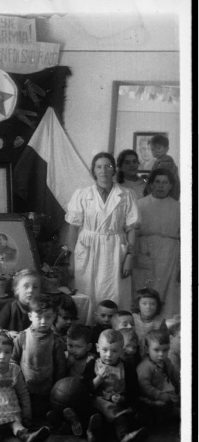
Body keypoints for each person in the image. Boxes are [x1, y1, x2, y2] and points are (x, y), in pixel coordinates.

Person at [66, 152, 140, 317]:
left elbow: (132, 228)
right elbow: (73, 228)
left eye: (108, 166)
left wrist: (129, 256)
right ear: (93, 171)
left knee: (114, 293)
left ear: (114, 169)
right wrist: (70, 258)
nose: (104, 170)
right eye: (99, 166)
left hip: (115, 250)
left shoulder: (126, 195)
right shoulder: (82, 195)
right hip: (88, 247)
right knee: (87, 293)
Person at [133, 168, 180, 316]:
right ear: (151, 184)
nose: (161, 186)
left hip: (169, 255)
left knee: (168, 294)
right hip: (145, 251)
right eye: (157, 182)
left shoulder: (178, 207)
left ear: (171, 185)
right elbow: (132, 232)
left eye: (165, 182)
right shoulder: (139, 204)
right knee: (145, 293)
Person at [11, 294, 67, 419]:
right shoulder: (23, 337)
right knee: (24, 410)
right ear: (30, 316)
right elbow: (13, 359)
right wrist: (17, 380)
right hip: (25, 388)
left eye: (48, 317)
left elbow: (60, 366)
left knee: (45, 412)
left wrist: (58, 388)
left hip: (47, 388)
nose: (43, 321)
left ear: (54, 317)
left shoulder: (56, 341)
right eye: (39, 317)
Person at [91, 329, 148, 442]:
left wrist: (123, 398)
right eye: (104, 350)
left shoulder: (127, 368)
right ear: (97, 348)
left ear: (121, 351)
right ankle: (94, 435)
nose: (109, 355)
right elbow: (86, 387)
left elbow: (134, 390)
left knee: (122, 419)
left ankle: (125, 438)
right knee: (94, 417)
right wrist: (99, 378)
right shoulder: (92, 364)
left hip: (117, 405)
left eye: (114, 351)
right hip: (97, 403)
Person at [136, 329, 180, 423]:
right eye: (156, 350)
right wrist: (161, 395)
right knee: (160, 406)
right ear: (147, 350)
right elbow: (145, 387)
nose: (161, 354)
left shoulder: (167, 361)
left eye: (165, 350)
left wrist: (178, 389)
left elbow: (173, 377)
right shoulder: (145, 367)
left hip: (168, 393)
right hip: (153, 397)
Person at [0, 269, 41, 338]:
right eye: (26, 286)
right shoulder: (10, 307)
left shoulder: (42, 308)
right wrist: (8, 334)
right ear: (16, 289)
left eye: (35, 287)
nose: (31, 290)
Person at [132, 288, 168, 358]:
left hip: (151, 353)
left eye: (152, 304)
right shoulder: (133, 318)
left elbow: (164, 339)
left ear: (157, 306)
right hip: (134, 350)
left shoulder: (160, 322)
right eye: (144, 304)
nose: (148, 307)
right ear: (138, 305)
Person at [146, 134, 180, 200]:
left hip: (164, 197)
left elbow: (162, 182)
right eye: (153, 149)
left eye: (159, 148)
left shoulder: (164, 163)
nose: (156, 151)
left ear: (166, 149)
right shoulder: (160, 161)